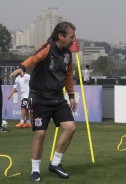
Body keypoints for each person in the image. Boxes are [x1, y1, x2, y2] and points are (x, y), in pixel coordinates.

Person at [10, 21, 77, 182]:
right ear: (61, 36)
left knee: (71, 128)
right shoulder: (47, 47)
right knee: (40, 134)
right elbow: (34, 58)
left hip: (58, 98)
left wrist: (72, 95)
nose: (73, 40)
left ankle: (55, 163)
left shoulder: (68, 54)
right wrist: (22, 67)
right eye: (71, 37)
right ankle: (35, 169)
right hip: (40, 98)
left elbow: (68, 76)